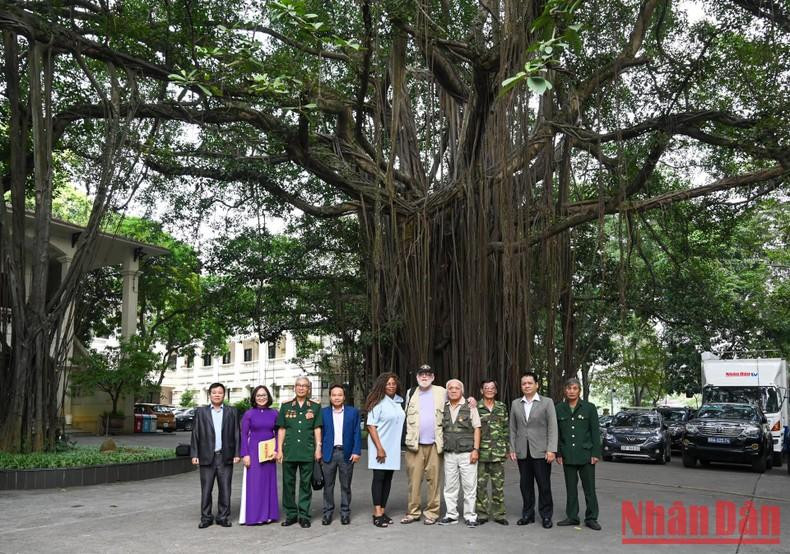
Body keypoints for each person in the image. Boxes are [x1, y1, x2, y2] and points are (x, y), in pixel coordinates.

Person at [509, 372, 558, 529]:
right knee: (525, 485)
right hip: (523, 450)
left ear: (537, 385)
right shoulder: (516, 403)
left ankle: (546, 515)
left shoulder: (547, 402)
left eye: (530, 383)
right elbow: (513, 428)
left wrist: (551, 449)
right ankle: (527, 514)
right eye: (524, 383)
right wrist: (512, 448)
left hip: (541, 451)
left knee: (544, 485)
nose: (527, 386)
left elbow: (553, 427)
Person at [190, 382, 240, 529]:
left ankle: (223, 517)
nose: (217, 395)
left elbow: (237, 433)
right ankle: (206, 517)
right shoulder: (201, 412)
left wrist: (237, 453)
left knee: (225, 488)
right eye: (214, 392)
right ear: (209, 395)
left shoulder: (232, 412)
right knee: (206, 489)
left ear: (224, 395)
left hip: (226, 456)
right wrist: (194, 454)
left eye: (220, 392)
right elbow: (195, 434)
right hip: (206, 456)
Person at [401, 364, 447, 525]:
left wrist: (471, 401)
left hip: (435, 444)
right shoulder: (410, 393)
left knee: (434, 480)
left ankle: (432, 513)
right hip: (415, 445)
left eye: (428, 374)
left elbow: (458, 400)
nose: (425, 377)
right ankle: (413, 512)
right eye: (422, 374)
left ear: (433, 377)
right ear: (417, 377)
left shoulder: (442, 392)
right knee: (414, 480)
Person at [556, 378, 602, 531]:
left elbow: (595, 432)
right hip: (568, 454)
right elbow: (557, 433)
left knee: (589, 488)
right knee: (571, 488)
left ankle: (591, 518)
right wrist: (559, 453)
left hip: (586, 455)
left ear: (579, 391)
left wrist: (596, 453)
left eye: (574, 388)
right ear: (565, 390)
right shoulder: (559, 408)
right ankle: (572, 517)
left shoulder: (589, 408)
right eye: (568, 388)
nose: (571, 391)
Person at [276, 376, 323, 528]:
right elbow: (282, 429)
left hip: (307, 450)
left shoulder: (315, 407)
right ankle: (291, 514)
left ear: (309, 389)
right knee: (288, 484)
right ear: (294, 388)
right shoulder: (286, 406)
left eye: (305, 386)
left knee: (305, 484)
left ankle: (303, 515)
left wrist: (318, 448)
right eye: (299, 385)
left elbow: (317, 428)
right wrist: (279, 449)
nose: (301, 388)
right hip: (289, 450)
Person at [438, 379, 481, 528]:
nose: (454, 390)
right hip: (449, 453)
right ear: (447, 391)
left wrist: (476, 450)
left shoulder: (470, 406)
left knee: (469, 487)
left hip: (467, 453)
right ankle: (451, 515)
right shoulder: (443, 406)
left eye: (457, 388)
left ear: (462, 391)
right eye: (450, 388)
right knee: (450, 486)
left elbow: (477, 428)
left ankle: (470, 516)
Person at [365, 372, 405, 528]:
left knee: (388, 479)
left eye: (393, 383)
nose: (391, 386)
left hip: (393, 447)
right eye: (388, 383)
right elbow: (371, 426)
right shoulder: (377, 402)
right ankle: (377, 513)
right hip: (380, 446)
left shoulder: (398, 402)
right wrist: (380, 448)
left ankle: (382, 510)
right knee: (379, 478)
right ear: (382, 385)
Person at [320, 384, 362, 526]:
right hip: (328, 453)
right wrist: (319, 450)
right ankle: (327, 513)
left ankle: (345, 513)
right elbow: (319, 433)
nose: (337, 397)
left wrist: (356, 451)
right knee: (328, 486)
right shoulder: (323, 413)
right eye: (334, 395)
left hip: (347, 453)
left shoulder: (353, 412)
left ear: (344, 397)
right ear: (330, 397)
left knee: (345, 485)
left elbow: (357, 432)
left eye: (339, 395)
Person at [239, 385, 279, 525]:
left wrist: (277, 450)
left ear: (268, 397)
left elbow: (279, 433)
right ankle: (254, 516)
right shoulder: (249, 414)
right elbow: (243, 435)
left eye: (264, 395)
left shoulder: (274, 413)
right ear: (254, 398)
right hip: (254, 452)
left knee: (268, 483)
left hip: (269, 453)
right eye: (258, 395)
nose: (261, 398)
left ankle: (268, 515)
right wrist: (245, 454)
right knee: (255, 485)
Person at [476, 378, 509, 525]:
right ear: (482, 391)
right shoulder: (476, 407)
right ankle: (482, 514)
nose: (489, 390)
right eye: (486, 388)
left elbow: (506, 429)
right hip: (481, 454)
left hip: (498, 453)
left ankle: (499, 514)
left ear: (496, 391)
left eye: (492, 388)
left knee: (498, 486)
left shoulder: (501, 407)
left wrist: (507, 448)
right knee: (480, 486)